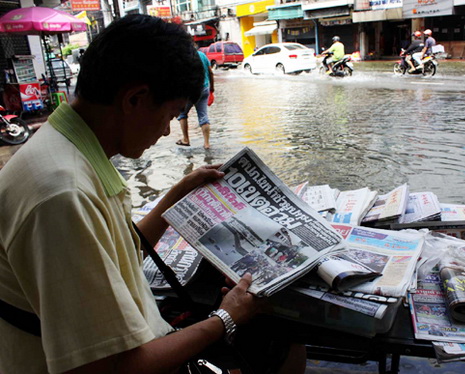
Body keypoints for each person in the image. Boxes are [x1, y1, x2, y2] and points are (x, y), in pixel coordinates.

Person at [0, 15, 305, 374]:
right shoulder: (63, 195)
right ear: (135, 99)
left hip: (141, 332)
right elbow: (109, 367)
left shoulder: (64, 147)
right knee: (283, 347)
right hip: (130, 355)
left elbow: (117, 253)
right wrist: (226, 318)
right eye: (171, 114)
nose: (165, 131)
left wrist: (178, 194)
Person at [176, 48, 214, 149]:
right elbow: (210, 72)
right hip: (205, 88)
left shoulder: (183, 57)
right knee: (203, 116)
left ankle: (186, 139)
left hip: (190, 90)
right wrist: (212, 89)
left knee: (182, 113)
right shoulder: (202, 55)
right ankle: (206, 144)